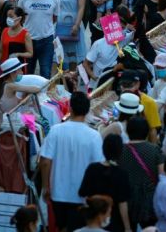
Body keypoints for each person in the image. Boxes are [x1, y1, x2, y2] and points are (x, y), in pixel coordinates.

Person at [40, 92, 104, 232]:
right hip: (82, 196)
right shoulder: (94, 136)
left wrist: (46, 186)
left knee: (61, 227)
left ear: (70, 108)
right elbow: (99, 167)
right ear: (87, 111)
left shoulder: (56, 131)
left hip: (58, 192)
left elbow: (45, 161)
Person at [79, 134, 132, 232]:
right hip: (114, 222)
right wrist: (127, 227)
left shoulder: (92, 168)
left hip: (94, 220)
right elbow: (122, 203)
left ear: (103, 149)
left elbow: (83, 193)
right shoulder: (122, 173)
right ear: (120, 151)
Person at [119, 116, 163, 231]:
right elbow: (162, 177)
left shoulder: (120, 151)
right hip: (149, 200)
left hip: (127, 201)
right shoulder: (155, 150)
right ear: (147, 131)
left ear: (128, 131)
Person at [18, 0, 60, 79]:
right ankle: (29, 95)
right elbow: (19, 17)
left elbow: (54, 18)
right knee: (28, 73)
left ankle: (44, 95)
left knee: (45, 72)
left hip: (47, 41)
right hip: (28, 41)